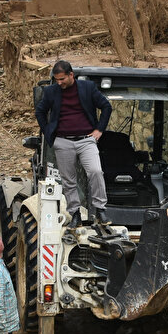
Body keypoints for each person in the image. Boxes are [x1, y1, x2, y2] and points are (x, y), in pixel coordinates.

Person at [35, 60, 112, 226]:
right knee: (69, 180)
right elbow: (40, 111)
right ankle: (75, 213)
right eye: (57, 80)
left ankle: (100, 209)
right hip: (62, 142)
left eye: (62, 79)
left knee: (96, 171)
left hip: (87, 140)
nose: (59, 83)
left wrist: (99, 130)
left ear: (71, 75)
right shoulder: (50, 92)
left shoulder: (88, 88)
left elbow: (106, 106)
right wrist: (49, 134)